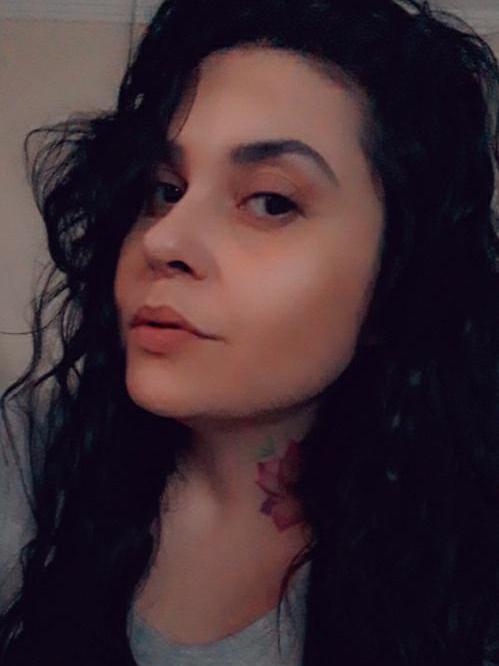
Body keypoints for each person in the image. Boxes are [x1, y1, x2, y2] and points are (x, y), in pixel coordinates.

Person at [1, 0, 498, 663]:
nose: (165, 240)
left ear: (396, 282)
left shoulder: (468, 562)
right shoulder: (31, 463)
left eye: (270, 201)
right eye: (163, 190)